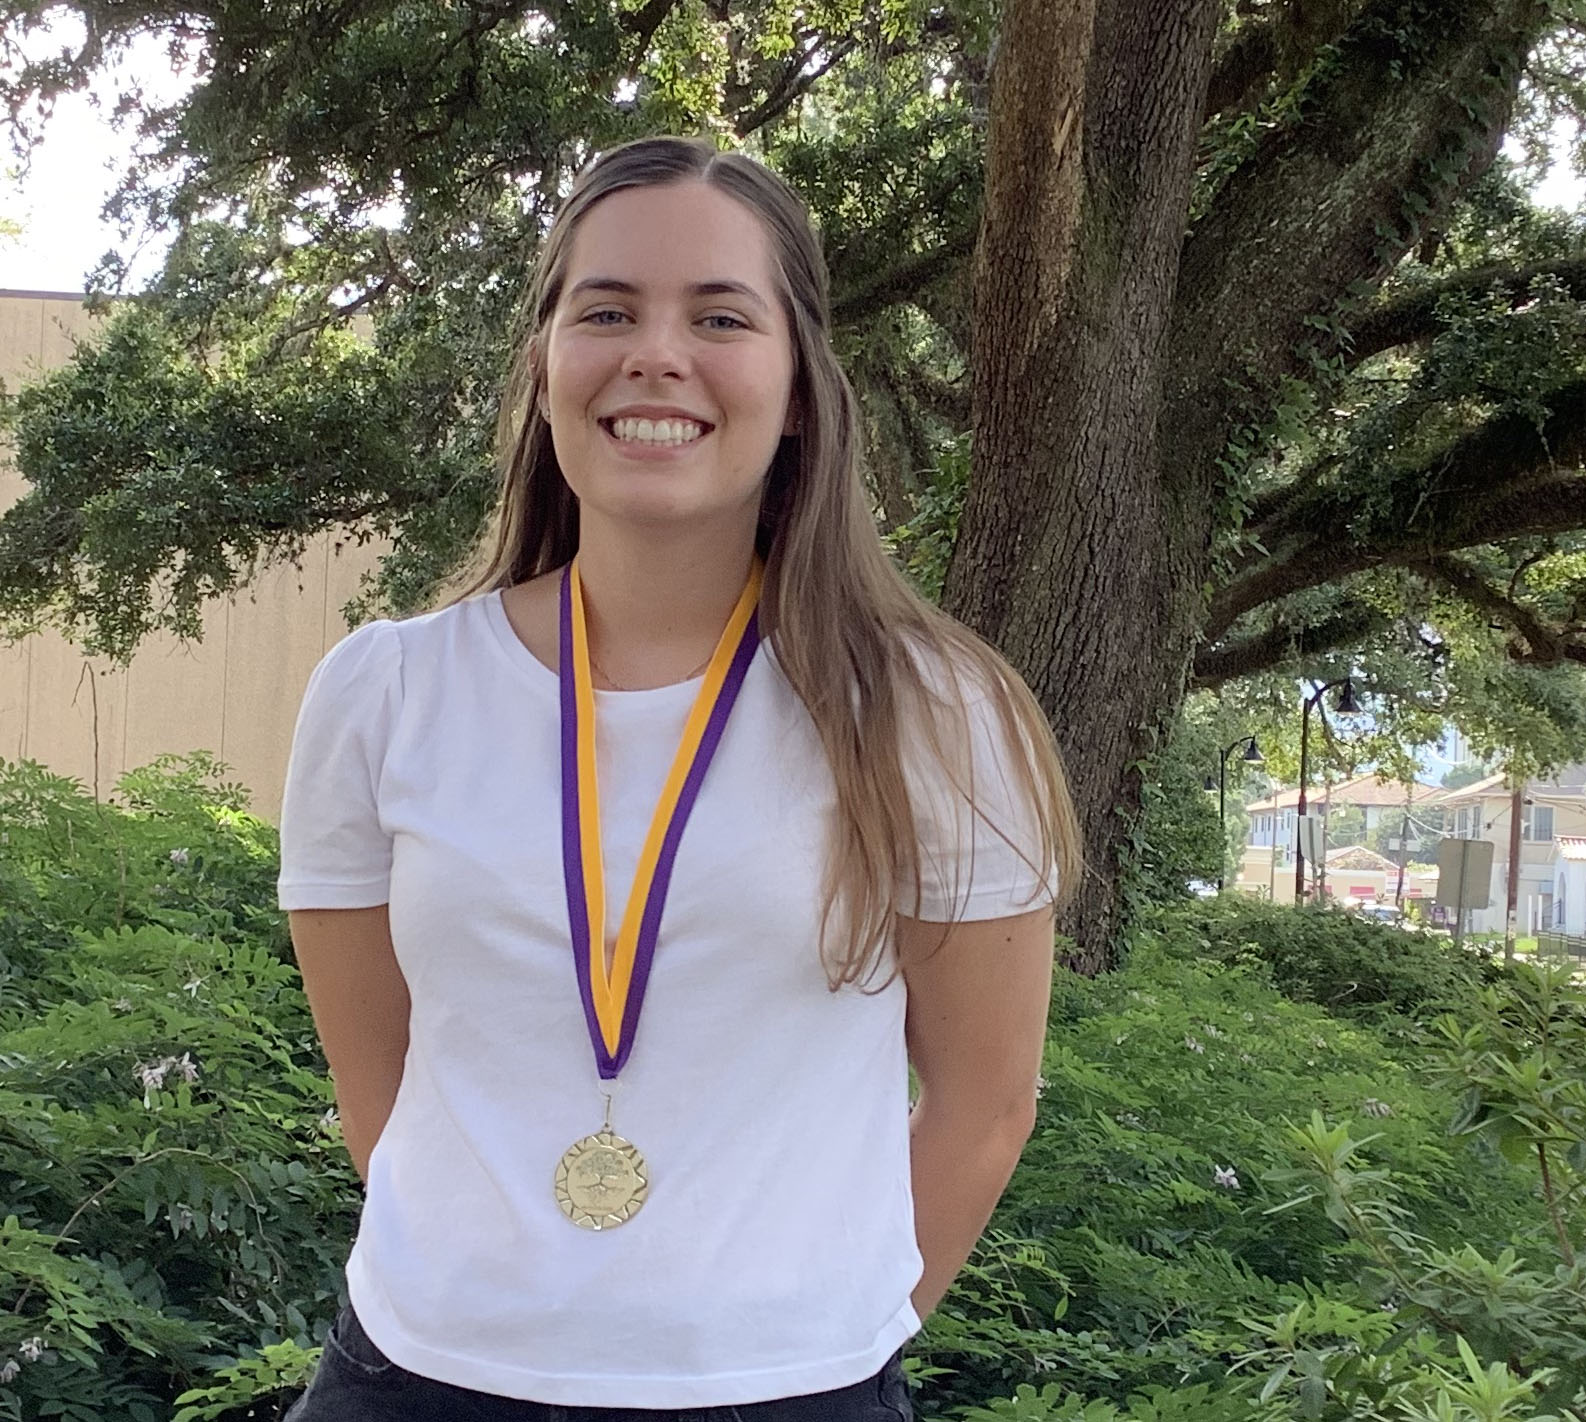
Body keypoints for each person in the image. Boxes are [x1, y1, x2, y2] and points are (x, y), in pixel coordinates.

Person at [276, 133, 1081, 1422]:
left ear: (800, 384)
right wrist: (515, 1306)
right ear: (545, 366)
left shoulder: (932, 713)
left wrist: (791, 1344)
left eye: (720, 314)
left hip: (791, 1392)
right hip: (417, 1381)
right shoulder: (385, 695)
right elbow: (384, 1092)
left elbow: (985, 1104)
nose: (658, 352)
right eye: (607, 310)